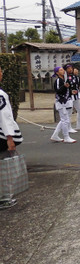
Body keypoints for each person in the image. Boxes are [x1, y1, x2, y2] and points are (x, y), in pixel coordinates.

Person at [0, 66, 24, 209]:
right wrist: (10, 138)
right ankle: (4, 198)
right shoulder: (1, 95)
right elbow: (4, 116)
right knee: (7, 168)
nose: (1, 73)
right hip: (2, 137)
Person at [51, 67, 76, 143]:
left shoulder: (64, 80)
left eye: (63, 69)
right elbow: (58, 91)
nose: (63, 71)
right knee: (65, 120)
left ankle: (55, 135)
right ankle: (66, 137)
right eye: (61, 70)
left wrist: (71, 92)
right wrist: (64, 86)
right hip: (61, 102)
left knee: (63, 120)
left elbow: (65, 91)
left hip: (65, 102)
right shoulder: (58, 80)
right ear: (57, 73)